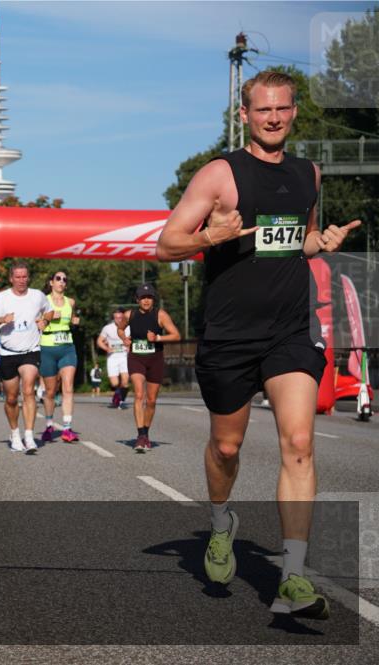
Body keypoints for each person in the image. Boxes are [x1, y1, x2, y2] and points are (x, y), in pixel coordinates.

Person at [156, 70, 360, 618]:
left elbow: (301, 240)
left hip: (290, 331)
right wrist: (209, 237)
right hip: (228, 335)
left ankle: (292, 576)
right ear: (244, 115)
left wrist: (324, 241)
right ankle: (222, 521)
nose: (274, 118)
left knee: (299, 442)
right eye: (263, 110)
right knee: (227, 448)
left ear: (294, 112)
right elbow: (165, 243)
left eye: (283, 109)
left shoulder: (307, 174)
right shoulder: (220, 175)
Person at [0, 261, 49, 452]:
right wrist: (1, 320)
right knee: (11, 398)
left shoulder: (37, 295)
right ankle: (14, 434)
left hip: (31, 351)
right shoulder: (2, 298)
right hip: (8, 353)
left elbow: (49, 310)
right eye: (18, 277)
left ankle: (29, 436)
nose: (21, 280)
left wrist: (44, 320)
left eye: (24, 276)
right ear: (11, 278)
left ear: (28, 277)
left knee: (28, 390)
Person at [116, 284, 180, 453]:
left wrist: (158, 337)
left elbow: (176, 335)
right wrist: (125, 339)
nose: (146, 300)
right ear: (137, 300)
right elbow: (120, 329)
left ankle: (146, 433)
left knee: (151, 400)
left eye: (149, 297)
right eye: (143, 297)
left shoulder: (160, 315)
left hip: (155, 359)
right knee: (139, 394)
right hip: (136, 358)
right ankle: (140, 435)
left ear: (153, 299)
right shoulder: (130, 314)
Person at [38, 270, 80, 443]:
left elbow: (72, 319)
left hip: (67, 348)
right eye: (58, 278)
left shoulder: (70, 302)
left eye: (64, 279)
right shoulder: (42, 301)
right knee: (50, 391)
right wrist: (46, 319)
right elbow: (36, 323)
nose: (62, 281)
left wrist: (75, 322)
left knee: (68, 387)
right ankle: (49, 425)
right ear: (51, 282)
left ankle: (67, 429)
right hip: (47, 348)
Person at [97, 308, 130, 409]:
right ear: (113, 318)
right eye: (116, 318)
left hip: (124, 357)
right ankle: (117, 396)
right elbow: (99, 341)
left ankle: (121, 401)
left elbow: (134, 339)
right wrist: (107, 348)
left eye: (120, 317)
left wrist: (130, 346)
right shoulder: (107, 328)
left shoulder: (129, 328)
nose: (118, 320)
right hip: (112, 358)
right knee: (114, 383)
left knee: (125, 382)